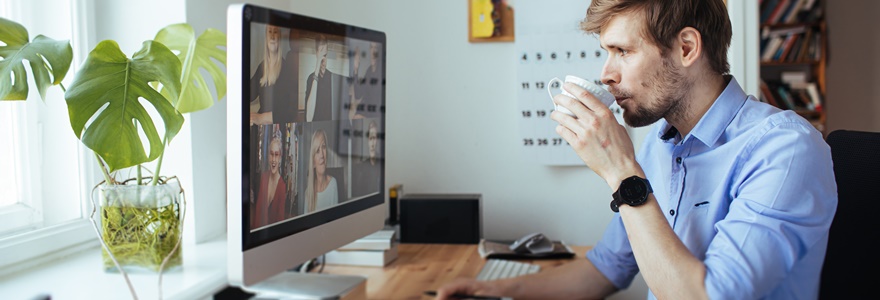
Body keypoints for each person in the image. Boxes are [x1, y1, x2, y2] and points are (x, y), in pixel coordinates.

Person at [435, 1, 837, 299]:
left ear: (686, 48)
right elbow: (604, 269)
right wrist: (491, 290)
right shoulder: (661, 145)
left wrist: (622, 171)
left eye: (622, 52)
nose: (606, 75)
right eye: (606, 53)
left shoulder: (786, 150)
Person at [249, 24, 295, 126]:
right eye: (270, 32)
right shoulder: (262, 67)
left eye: (275, 32)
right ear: (266, 37)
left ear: (279, 37)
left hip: (277, 127)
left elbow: (289, 112)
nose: (273, 36)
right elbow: (249, 94)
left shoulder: (287, 69)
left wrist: (261, 118)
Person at [252, 128, 287, 228]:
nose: (274, 160)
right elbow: (258, 211)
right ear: (268, 156)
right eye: (271, 154)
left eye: (276, 155)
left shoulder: (282, 187)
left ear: (280, 158)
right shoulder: (264, 177)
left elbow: (280, 222)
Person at [305, 129, 338, 212]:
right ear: (313, 162)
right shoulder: (308, 192)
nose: (322, 155)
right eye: (317, 151)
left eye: (323, 147)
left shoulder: (333, 184)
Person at [304, 35, 334, 121]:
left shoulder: (332, 78)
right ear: (316, 54)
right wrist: (317, 69)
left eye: (325, 55)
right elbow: (308, 117)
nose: (323, 60)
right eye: (321, 55)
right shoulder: (310, 79)